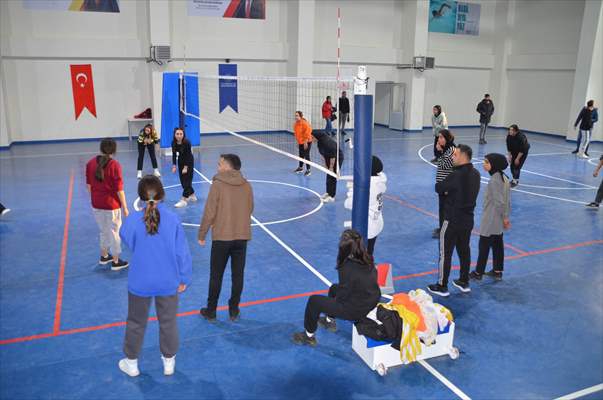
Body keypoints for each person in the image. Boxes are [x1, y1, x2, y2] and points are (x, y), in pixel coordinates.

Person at [118, 175, 192, 377]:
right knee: (168, 322)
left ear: (141, 197)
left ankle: (131, 363)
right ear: (162, 195)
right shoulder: (173, 219)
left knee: (136, 322)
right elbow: (182, 252)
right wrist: (184, 277)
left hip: (140, 281)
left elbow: (126, 238)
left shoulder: (132, 220)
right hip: (168, 280)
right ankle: (169, 362)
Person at [292, 229, 381, 346]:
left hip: (356, 310)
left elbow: (343, 296)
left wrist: (335, 305)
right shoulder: (367, 258)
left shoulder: (347, 267)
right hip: (371, 301)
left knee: (314, 301)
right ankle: (329, 321)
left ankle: (308, 336)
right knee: (334, 288)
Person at [198, 154, 254, 322]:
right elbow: (250, 208)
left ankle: (211, 310)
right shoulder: (247, 185)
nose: (217, 167)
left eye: (220, 164)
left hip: (222, 238)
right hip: (241, 237)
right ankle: (233, 310)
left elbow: (210, 212)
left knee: (216, 275)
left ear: (228, 167)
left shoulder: (217, 185)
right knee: (238, 276)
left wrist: (202, 234)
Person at [428, 144, 480, 297]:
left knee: (445, 253)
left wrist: (447, 190)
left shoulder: (455, 175)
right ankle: (464, 281)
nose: (452, 157)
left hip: (452, 220)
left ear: (463, 156)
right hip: (468, 219)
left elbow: (439, 187)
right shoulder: (476, 174)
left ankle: (442, 285)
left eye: (455, 154)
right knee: (464, 250)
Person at [85, 138, 129, 271]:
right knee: (114, 232)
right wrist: (125, 207)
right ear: (114, 150)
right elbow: (119, 189)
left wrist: (95, 199)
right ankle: (116, 261)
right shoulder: (114, 165)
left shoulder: (90, 163)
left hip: (96, 203)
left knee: (103, 230)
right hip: (111, 205)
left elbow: (89, 186)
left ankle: (104, 256)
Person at [470, 154, 511, 281]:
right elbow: (507, 201)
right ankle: (497, 270)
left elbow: (499, 202)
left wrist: (505, 217)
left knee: (484, 244)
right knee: (498, 243)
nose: (484, 164)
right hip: (498, 219)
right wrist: (505, 216)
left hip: (491, 218)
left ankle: (478, 272)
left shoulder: (494, 180)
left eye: (487, 162)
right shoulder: (504, 177)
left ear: (494, 164)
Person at [344, 156, 387, 256]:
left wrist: (352, 189)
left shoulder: (367, 188)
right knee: (369, 251)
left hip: (367, 226)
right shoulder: (379, 181)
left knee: (361, 254)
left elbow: (348, 204)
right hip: (377, 222)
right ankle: (369, 261)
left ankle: (366, 263)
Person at [433, 129, 456, 238]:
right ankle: (442, 227)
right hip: (442, 184)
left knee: (446, 209)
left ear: (447, 138)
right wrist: (440, 151)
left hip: (447, 185)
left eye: (441, 137)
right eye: (438, 137)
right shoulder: (445, 149)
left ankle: (445, 230)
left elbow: (443, 165)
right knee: (441, 208)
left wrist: (439, 152)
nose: (439, 139)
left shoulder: (451, 150)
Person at [312, 130, 344, 203]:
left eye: (312, 137)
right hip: (329, 157)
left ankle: (332, 196)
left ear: (316, 137)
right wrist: (326, 165)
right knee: (328, 175)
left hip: (337, 158)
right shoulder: (320, 142)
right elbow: (323, 154)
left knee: (332, 176)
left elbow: (333, 156)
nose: (311, 139)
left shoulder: (327, 143)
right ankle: (328, 192)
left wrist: (331, 167)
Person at [171, 127, 197, 208]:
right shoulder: (173, 143)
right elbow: (174, 154)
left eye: (181, 134)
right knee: (183, 182)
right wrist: (174, 165)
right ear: (174, 135)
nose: (179, 136)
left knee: (187, 181)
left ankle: (183, 200)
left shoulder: (187, 142)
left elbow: (188, 155)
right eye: (177, 134)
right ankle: (192, 195)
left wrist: (186, 167)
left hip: (188, 162)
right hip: (181, 161)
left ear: (183, 135)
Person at [293, 111, 313, 176]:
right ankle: (300, 168)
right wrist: (298, 142)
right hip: (301, 142)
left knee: (306, 155)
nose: (296, 117)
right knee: (301, 155)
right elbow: (297, 134)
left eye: (297, 115)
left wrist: (305, 142)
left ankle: (308, 170)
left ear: (301, 116)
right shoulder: (295, 124)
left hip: (307, 141)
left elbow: (308, 132)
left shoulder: (304, 123)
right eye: (295, 116)